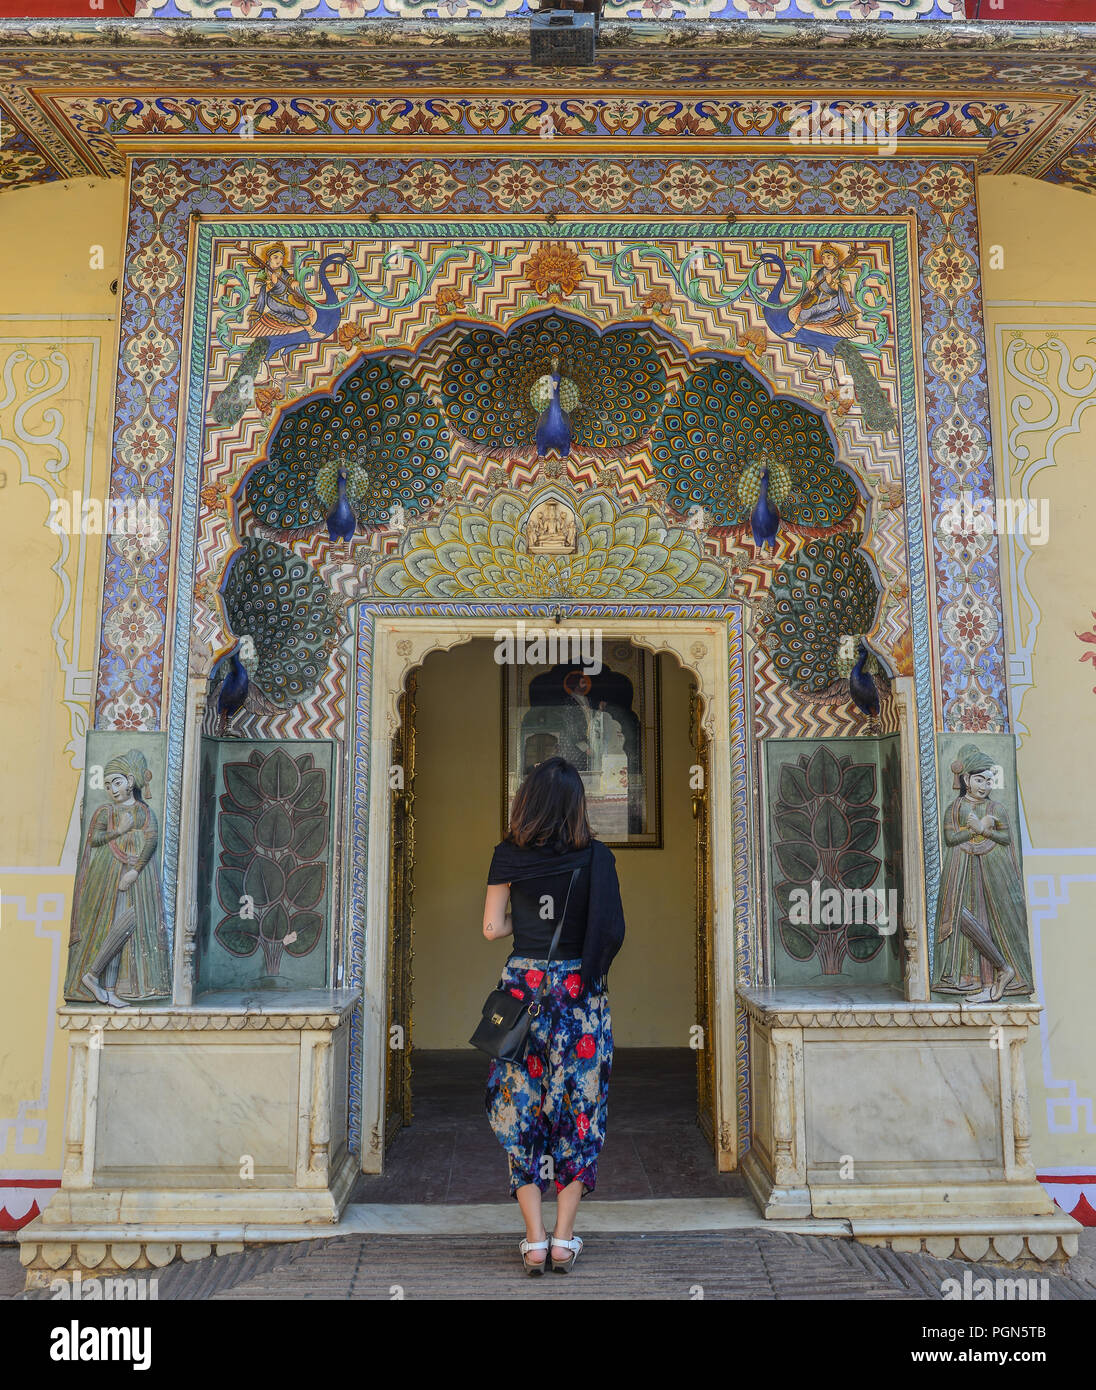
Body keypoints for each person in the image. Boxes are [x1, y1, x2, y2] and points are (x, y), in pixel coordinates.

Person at [482, 756, 626, 1275]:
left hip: (523, 994)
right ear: (577, 806)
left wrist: (523, 919)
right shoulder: (598, 859)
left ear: (527, 803)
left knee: (522, 1111)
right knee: (578, 1112)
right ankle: (565, 1240)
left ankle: (534, 1239)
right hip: (578, 997)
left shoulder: (506, 856)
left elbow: (492, 929)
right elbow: (609, 930)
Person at [64, 750, 172, 1006]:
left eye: (117, 782)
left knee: (126, 925)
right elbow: (95, 840)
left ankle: (99, 980)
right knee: (115, 927)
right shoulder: (105, 812)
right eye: (108, 784)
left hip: (135, 879)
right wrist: (119, 831)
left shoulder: (144, 812)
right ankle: (97, 982)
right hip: (108, 877)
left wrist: (136, 870)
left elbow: (151, 840)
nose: (112, 789)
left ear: (130, 782)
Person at [933, 744, 1033, 1003]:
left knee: (990, 920)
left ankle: (997, 977)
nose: (984, 786)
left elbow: (1006, 837)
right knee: (959, 915)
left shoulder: (996, 809)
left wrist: (985, 830)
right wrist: (973, 830)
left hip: (992, 873)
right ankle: (996, 970)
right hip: (961, 870)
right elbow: (950, 837)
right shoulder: (955, 807)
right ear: (966, 779)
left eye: (989, 781)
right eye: (979, 780)